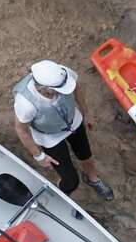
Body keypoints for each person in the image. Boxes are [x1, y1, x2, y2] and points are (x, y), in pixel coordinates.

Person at [12, 59, 114, 201]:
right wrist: (38, 155)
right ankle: (64, 196)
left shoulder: (63, 74)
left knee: (85, 154)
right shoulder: (25, 103)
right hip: (49, 137)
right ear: (43, 88)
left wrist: (86, 113)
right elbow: (21, 129)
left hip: (73, 122)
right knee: (70, 180)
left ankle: (93, 178)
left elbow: (77, 87)